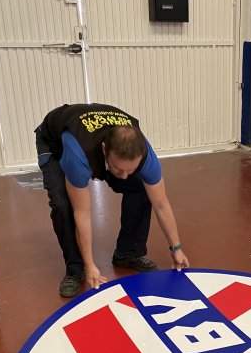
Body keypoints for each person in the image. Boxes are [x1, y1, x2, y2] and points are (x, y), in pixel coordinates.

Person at [35, 103, 189, 297]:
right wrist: (90, 264)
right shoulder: (78, 154)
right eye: (118, 169)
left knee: (140, 187)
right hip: (55, 143)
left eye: (130, 169)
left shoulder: (145, 155)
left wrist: (176, 248)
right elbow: (81, 213)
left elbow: (161, 203)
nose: (124, 176)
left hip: (94, 147)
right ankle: (76, 269)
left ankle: (128, 253)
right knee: (62, 204)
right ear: (104, 149)